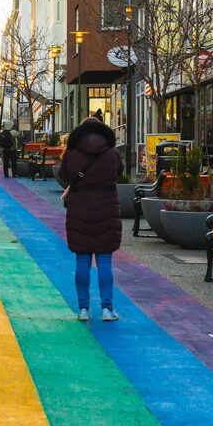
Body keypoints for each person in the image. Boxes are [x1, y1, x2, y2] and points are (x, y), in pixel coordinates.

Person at [57, 117, 123, 323]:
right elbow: (118, 173)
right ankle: (107, 309)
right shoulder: (112, 152)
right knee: (104, 260)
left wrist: (76, 186)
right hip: (106, 208)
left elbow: (62, 176)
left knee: (82, 260)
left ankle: (83, 309)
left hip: (79, 209)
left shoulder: (72, 153)